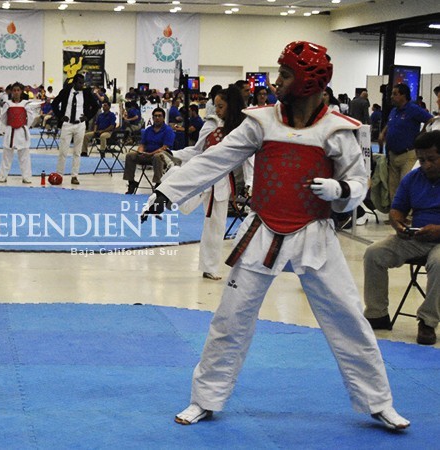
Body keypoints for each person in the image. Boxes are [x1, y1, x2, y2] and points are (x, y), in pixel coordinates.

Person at [142, 41, 410, 430]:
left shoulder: (338, 129)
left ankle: (378, 401)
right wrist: (167, 191)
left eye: (285, 75)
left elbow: (358, 182)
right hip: (263, 230)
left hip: (315, 234)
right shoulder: (260, 121)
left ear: (307, 82)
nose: (276, 81)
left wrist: (342, 192)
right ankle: (206, 398)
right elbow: (217, 159)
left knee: (349, 318)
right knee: (230, 319)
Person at [363, 130, 440, 345]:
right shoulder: (412, 179)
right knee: (374, 253)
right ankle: (377, 313)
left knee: (439, 263)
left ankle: (427, 322)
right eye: (421, 159)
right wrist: (398, 224)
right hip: (416, 236)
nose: (426, 165)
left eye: (431, 159)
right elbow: (397, 210)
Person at [170, 85, 251, 280]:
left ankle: (210, 266)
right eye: (215, 106)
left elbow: (250, 159)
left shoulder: (241, 127)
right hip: (204, 173)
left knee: (213, 222)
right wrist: (173, 154)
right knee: (195, 211)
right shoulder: (210, 124)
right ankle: (171, 174)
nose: (217, 110)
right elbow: (197, 150)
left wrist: (250, 183)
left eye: (221, 106)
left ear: (231, 106)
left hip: (221, 179)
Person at [379, 83, 435, 201]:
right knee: (393, 188)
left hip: (408, 155)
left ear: (404, 95)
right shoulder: (394, 111)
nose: (391, 97)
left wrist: (423, 133)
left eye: (395, 94)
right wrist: (383, 133)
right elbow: (389, 124)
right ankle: (395, 216)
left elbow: (431, 120)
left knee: (406, 186)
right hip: (393, 155)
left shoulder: (413, 109)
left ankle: (408, 217)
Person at [52, 73, 99, 185]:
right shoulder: (66, 91)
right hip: (67, 124)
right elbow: (54, 104)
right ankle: (59, 175)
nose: (81, 85)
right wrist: (60, 116)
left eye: (83, 83)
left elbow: (96, 106)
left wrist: (87, 117)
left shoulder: (87, 93)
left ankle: (74, 176)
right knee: (63, 151)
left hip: (80, 124)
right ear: (74, 82)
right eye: (79, 83)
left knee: (77, 152)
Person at [122, 107, 175, 194]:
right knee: (130, 155)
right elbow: (142, 144)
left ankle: (158, 183)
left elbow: (165, 147)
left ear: (163, 118)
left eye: (159, 116)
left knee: (157, 156)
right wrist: (140, 151)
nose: (157, 118)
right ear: (152, 118)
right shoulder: (148, 130)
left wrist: (151, 154)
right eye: (155, 116)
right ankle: (131, 182)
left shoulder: (168, 130)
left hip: (162, 156)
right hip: (147, 154)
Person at [0, 82, 37, 184]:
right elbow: (3, 118)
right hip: (10, 131)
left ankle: (26, 177)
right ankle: (3, 176)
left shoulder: (26, 104)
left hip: (22, 131)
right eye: (14, 90)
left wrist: (25, 126)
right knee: (6, 155)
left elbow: (31, 117)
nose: (16, 92)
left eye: (18, 90)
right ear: (11, 91)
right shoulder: (7, 104)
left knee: (24, 156)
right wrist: (7, 127)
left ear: (21, 91)